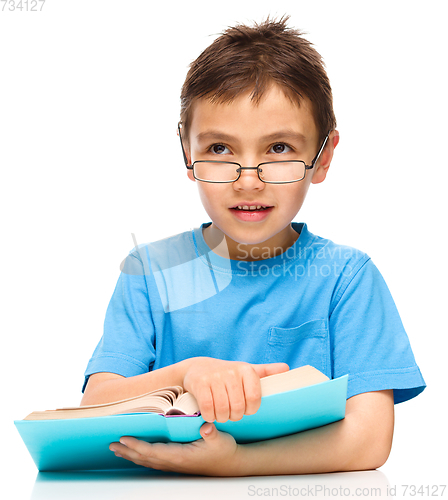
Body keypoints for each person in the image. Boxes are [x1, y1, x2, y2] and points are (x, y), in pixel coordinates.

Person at [81, 16, 426, 476]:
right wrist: (187, 373)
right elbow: (94, 406)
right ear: (187, 151)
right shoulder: (152, 270)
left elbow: (369, 440)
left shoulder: (347, 277)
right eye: (221, 148)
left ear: (323, 157)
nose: (248, 180)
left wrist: (236, 461)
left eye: (279, 147)